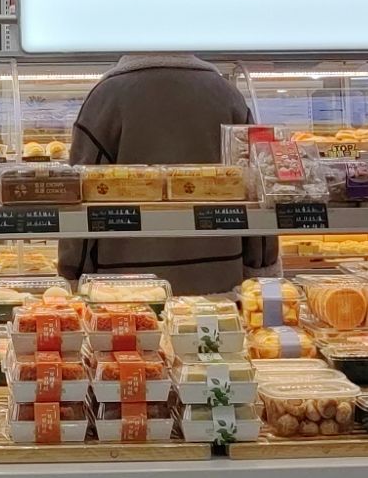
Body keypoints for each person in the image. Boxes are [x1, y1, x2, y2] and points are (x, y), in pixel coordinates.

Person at [56, 53, 279, 297]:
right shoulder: (227, 94)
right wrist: (261, 268)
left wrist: (72, 276)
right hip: (220, 283)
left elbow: (77, 195)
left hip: (124, 293)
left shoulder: (105, 97)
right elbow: (258, 187)